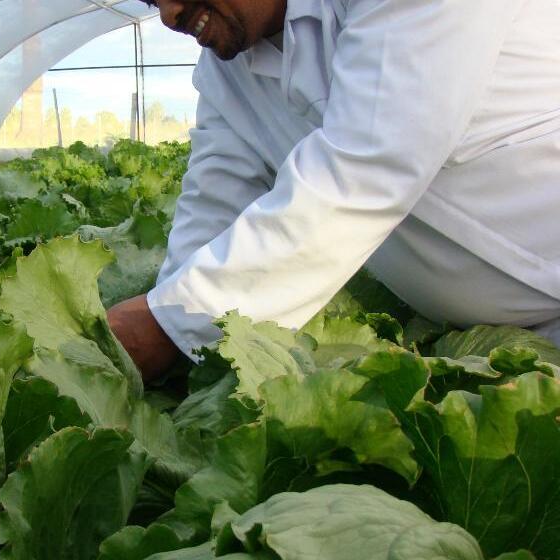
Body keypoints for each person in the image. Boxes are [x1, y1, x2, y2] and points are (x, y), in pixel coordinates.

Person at [107, 0, 560, 380]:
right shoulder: (229, 72)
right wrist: (161, 319)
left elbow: (369, 165)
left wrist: (164, 326)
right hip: (489, 347)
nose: (168, 13)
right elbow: (212, 205)